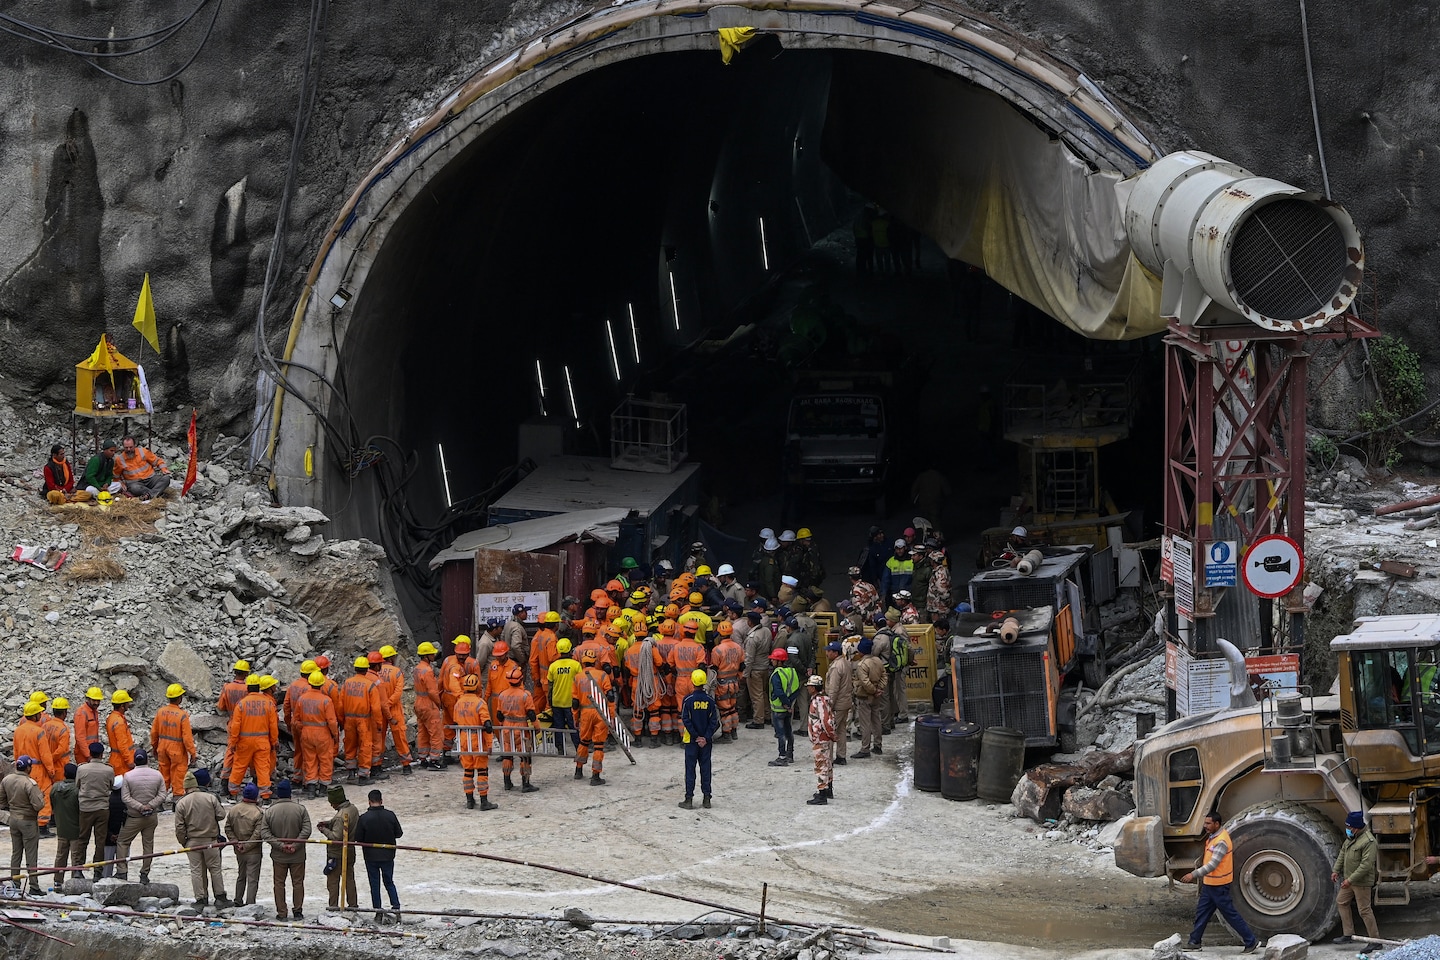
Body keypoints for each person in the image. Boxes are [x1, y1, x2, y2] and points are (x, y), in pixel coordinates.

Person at [1181, 811, 1259, 954]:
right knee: (1202, 913)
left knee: (1230, 915)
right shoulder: (1213, 837)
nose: (1205, 826)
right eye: (1205, 823)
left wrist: (1193, 874)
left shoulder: (1221, 841)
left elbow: (1212, 865)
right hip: (1210, 885)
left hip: (1219, 886)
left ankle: (1251, 941)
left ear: (1217, 824)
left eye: (1208, 823)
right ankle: (1194, 942)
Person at [174, 769, 229, 906]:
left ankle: (201, 899)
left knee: (196, 871)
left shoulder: (181, 803)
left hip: (192, 842)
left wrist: (184, 842)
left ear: (185, 787)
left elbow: (179, 828)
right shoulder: (210, 798)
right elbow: (221, 815)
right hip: (211, 840)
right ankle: (220, 897)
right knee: (215, 869)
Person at [260, 780, 312, 920]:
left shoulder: (270, 811)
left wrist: (280, 845)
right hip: (298, 855)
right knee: (298, 883)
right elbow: (307, 830)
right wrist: (295, 845)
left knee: (279, 884)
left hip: (279, 855)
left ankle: (282, 913)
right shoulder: (300, 809)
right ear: (290, 794)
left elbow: (265, 833)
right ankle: (298, 911)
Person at [116, 751, 169, 882]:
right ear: (147, 760)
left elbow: (125, 797)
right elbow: (162, 794)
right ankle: (144, 873)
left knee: (123, 842)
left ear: (134, 761)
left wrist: (140, 807)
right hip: (151, 816)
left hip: (134, 817)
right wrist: (150, 805)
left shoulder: (128, 776)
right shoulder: (157, 774)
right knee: (148, 845)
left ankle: (122, 871)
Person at [1331, 810, 1381, 949]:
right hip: (1349, 880)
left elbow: (1366, 865)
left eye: (1349, 827)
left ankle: (1375, 941)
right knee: (1341, 901)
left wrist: (1350, 880)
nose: (1347, 829)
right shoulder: (1351, 838)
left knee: (1364, 910)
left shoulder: (1369, 841)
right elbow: (1343, 853)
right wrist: (1336, 870)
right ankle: (1348, 934)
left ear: (1356, 827)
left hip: (1361, 882)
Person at [353, 789, 404, 924]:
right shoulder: (390, 815)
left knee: (374, 884)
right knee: (389, 882)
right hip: (388, 855)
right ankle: (396, 908)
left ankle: (378, 911)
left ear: (369, 802)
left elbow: (358, 838)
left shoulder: (364, 818)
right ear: (381, 801)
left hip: (371, 856)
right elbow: (399, 833)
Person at [229, 674, 279, 798]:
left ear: (247, 688)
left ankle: (233, 794)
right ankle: (265, 795)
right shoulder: (268, 703)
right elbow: (273, 726)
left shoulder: (241, 704)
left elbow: (235, 727)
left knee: (239, 766)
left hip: (244, 742)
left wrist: (233, 743)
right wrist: (273, 742)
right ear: (259, 687)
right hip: (262, 742)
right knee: (263, 768)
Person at [0, 758, 44, 894]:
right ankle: (34, 886)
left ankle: (15, 884)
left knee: (16, 853)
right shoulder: (29, 783)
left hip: (13, 820)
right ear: (28, 768)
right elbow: (38, 805)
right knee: (31, 855)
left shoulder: (6, 780)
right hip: (28, 822)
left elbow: (1, 801)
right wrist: (40, 797)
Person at [494, 665, 540, 793]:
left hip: (507, 728)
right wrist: (537, 727)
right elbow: (531, 714)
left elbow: (499, 715)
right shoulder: (525, 695)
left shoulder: (502, 695)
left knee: (507, 756)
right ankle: (525, 783)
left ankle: (507, 782)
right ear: (521, 680)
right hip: (521, 729)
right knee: (525, 756)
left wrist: (503, 725)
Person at [678, 669, 719, 810]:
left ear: (692, 682)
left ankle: (689, 799)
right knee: (705, 769)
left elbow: (686, 720)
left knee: (690, 770)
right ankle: (707, 799)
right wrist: (705, 738)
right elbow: (714, 722)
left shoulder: (688, 700)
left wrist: (696, 736)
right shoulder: (710, 701)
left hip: (691, 741)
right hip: (706, 743)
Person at [295, 670, 340, 797]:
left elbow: (296, 719)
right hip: (323, 734)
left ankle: (311, 788)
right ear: (321, 684)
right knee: (325, 760)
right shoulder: (326, 701)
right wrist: (335, 735)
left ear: (309, 683)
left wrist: (303, 730)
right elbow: (332, 721)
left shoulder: (301, 699)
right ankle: (323, 788)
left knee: (310, 760)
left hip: (306, 733)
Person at [454, 674, 496, 810]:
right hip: (477, 740)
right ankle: (484, 801)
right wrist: (489, 745)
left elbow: (456, 722)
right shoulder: (480, 703)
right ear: (477, 687)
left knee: (468, 771)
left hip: (463, 740)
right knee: (482, 771)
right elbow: (487, 725)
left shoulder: (458, 703)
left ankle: (469, 800)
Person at [573, 649, 613, 786]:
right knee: (598, 745)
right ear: (595, 662)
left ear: (583, 662)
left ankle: (578, 770)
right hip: (600, 712)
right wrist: (611, 716)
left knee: (584, 742)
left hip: (585, 712)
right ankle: (595, 776)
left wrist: (575, 718)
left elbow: (575, 702)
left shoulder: (577, 677)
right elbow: (610, 696)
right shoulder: (602, 675)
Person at [14, 702, 55, 834]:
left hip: (22, 768)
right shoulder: (39, 731)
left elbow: (16, 751)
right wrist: (51, 771)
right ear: (35, 715)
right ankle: (42, 826)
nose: (41, 715)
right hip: (37, 769)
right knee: (43, 795)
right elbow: (45, 754)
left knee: (26, 796)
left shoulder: (18, 730)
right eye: (39, 713)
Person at [152, 683, 198, 799]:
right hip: (177, 749)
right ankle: (177, 800)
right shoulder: (182, 715)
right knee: (178, 775)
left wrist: (154, 748)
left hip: (162, 747)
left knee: (163, 774)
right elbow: (187, 738)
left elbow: (154, 733)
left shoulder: (160, 712)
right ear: (179, 698)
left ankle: (159, 800)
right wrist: (192, 753)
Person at [318, 785, 359, 912]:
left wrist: (324, 829)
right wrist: (330, 823)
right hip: (350, 850)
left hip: (336, 854)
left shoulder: (340, 817)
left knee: (333, 882)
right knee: (349, 880)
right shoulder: (353, 809)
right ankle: (353, 905)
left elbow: (336, 837)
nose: (331, 805)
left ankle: (333, 907)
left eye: (332, 803)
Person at [341, 657, 383, 786]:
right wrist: (379, 724)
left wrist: (342, 720)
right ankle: (363, 776)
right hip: (364, 720)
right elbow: (376, 708)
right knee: (365, 746)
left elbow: (340, 704)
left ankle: (351, 773)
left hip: (349, 720)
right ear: (366, 669)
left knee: (350, 745)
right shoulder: (370, 685)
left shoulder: (347, 683)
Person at [75, 743, 111, 880]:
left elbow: (78, 785)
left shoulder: (81, 769)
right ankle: (98, 871)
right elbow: (111, 785)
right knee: (100, 841)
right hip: (102, 808)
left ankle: (78, 868)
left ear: (90, 754)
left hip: (85, 808)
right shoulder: (108, 770)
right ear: (102, 755)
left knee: (82, 839)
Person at [376, 645, 413, 777]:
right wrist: (389, 704)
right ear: (391, 658)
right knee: (400, 736)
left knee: (379, 737)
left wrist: (383, 705)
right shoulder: (397, 672)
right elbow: (398, 693)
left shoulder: (375, 672)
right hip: (394, 708)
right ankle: (406, 765)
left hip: (379, 709)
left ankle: (377, 764)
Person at [225, 784, 265, 906]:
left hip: (238, 850)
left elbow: (228, 828)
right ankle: (250, 903)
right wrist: (246, 846)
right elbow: (258, 834)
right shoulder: (258, 813)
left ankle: (238, 899)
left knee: (241, 875)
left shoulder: (234, 810)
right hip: (253, 851)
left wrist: (236, 842)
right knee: (252, 879)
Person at [216, 660, 252, 793]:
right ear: (246, 673)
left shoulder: (227, 687)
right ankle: (251, 781)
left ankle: (225, 781)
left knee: (231, 751)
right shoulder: (248, 688)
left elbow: (221, 706)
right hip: (247, 725)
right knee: (248, 752)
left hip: (232, 723)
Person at [411, 642, 445, 770]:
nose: (434, 655)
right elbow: (432, 692)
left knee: (423, 732)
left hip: (419, 703)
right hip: (428, 704)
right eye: (431, 653)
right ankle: (434, 760)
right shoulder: (428, 671)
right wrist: (439, 704)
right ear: (426, 656)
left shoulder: (417, 668)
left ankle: (423, 758)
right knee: (435, 732)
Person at [710, 621, 745, 742]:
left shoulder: (717, 650)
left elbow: (714, 669)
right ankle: (733, 731)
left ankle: (726, 734)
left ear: (720, 634)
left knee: (724, 710)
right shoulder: (738, 647)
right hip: (734, 682)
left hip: (722, 684)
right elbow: (742, 666)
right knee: (733, 708)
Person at [546, 638, 582, 754]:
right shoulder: (576, 665)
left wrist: (550, 700)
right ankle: (578, 748)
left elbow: (550, 685)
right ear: (570, 649)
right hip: (571, 702)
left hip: (557, 701)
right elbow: (580, 683)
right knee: (573, 726)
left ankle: (560, 748)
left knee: (558, 726)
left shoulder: (553, 666)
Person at [852, 639, 886, 758]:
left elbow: (865, 682)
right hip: (876, 696)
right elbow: (884, 676)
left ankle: (865, 748)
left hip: (865, 696)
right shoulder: (878, 660)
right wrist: (879, 689)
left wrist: (873, 691)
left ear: (861, 651)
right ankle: (878, 745)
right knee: (876, 720)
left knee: (865, 724)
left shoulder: (862, 665)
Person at [49, 762, 83, 883]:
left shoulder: (55, 788)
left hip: (61, 827)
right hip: (76, 829)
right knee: (76, 857)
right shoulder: (78, 790)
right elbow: (81, 809)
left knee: (60, 855)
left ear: (64, 773)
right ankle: (74, 882)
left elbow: (53, 805)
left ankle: (58, 881)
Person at [805, 675, 836, 805]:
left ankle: (822, 794)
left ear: (813, 688)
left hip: (821, 738)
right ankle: (828, 789)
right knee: (827, 764)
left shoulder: (818, 701)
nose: (808, 688)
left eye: (809, 686)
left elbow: (825, 721)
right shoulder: (822, 700)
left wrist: (831, 735)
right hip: (823, 737)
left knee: (821, 765)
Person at [766, 649, 800, 767]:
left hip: (778, 708)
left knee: (780, 733)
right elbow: (796, 689)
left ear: (779, 661)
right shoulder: (792, 671)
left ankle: (782, 757)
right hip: (789, 708)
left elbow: (778, 691)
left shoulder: (776, 674)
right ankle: (790, 755)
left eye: (774, 659)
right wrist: (789, 704)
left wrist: (785, 703)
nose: (772, 661)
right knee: (788, 731)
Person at [113, 435, 170, 500]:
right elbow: (116, 476)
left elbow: (157, 461)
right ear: (123, 447)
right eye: (126, 447)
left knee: (166, 479)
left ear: (135, 445)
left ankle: (149, 495)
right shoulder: (119, 459)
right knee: (135, 488)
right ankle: (156, 493)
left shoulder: (143, 451)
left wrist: (164, 469)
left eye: (131, 447)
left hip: (150, 479)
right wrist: (121, 483)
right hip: (135, 483)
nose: (129, 449)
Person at [824, 641, 854, 765]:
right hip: (846, 701)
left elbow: (833, 688)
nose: (826, 653)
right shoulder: (846, 663)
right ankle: (841, 756)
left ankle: (829, 758)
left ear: (835, 653)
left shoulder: (836, 667)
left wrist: (829, 704)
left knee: (830, 730)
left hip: (837, 704)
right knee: (841, 730)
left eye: (828, 651)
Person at [107, 689, 136, 776]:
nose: (129, 704)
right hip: (121, 762)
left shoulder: (112, 717)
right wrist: (130, 761)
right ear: (122, 706)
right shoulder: (119, 722)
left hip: (116, 758)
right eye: (127, 703)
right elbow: (122, 744)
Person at [74, 687, 104, 767]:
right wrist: (88, 755)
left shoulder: (94, 712)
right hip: (84, 755)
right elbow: (80, 737)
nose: (96, 703)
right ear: (88, 699)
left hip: (93, 752)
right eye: (94, 700)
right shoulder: (81, 713)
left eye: (98, 700)